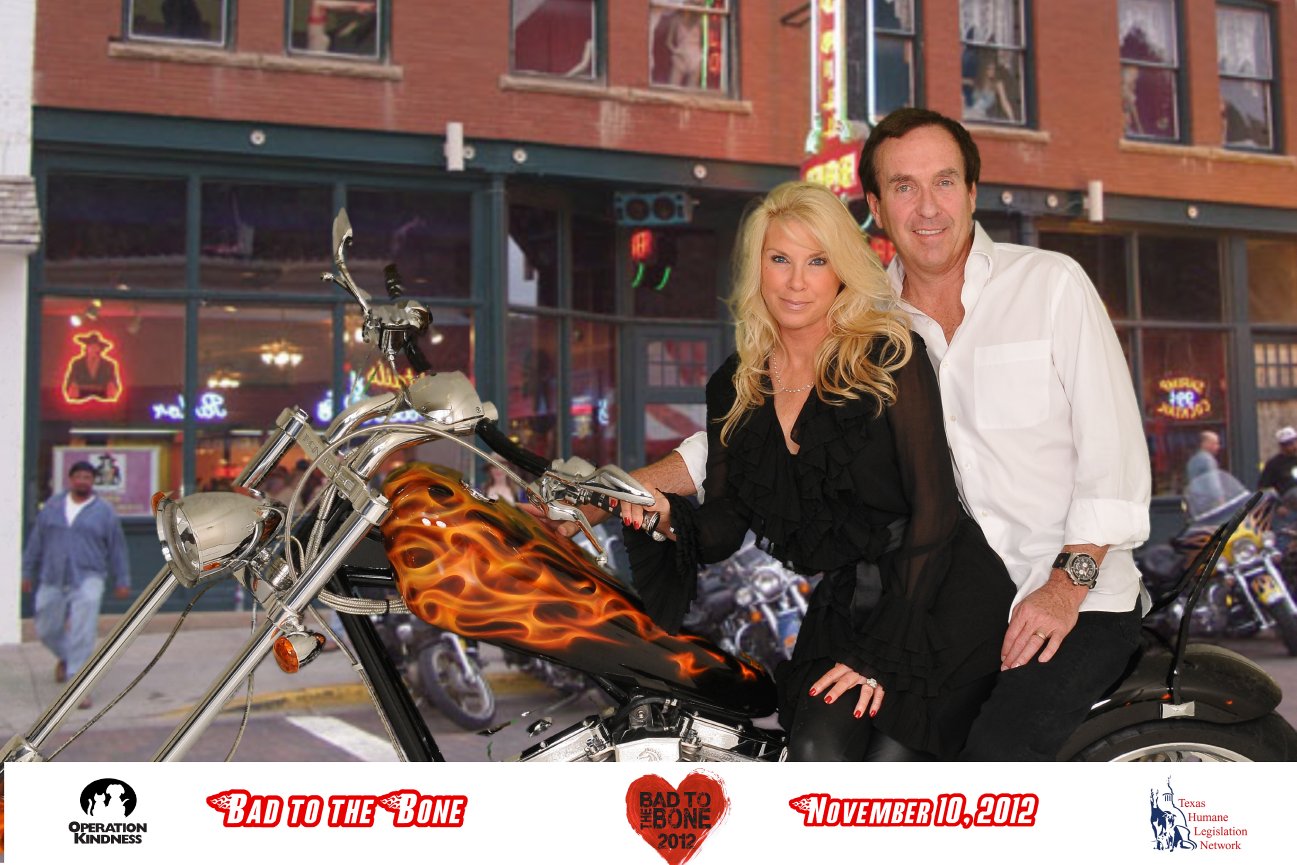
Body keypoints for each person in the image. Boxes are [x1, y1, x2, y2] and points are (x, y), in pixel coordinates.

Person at [625, 108, 1152, 761]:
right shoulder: (863, 320)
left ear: (972, 192)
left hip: (1072, 590)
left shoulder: (1049, 285)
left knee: (993, 758)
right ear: (875, 206)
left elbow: (1114, 454)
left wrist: (1064, 586)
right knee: (832, 750)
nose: (927, 206)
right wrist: (624, 490)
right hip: (927, 594)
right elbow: (758, 429)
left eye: (943, 182)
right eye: (904, 186)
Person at [621, 181, 1015, 761]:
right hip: (849, 603)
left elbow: (934, 513)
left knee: (892, 764)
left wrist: (881, 652)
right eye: (780, 259)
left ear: (842, 272)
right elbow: (724, 527)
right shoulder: (736, 385)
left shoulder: (889, 356)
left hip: (939, 593)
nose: (796, 281)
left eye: (817, 261)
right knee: (814, 749)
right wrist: (664, 516)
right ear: (757, 269)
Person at [22, 461, 132, 709]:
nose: (82, 481)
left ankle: (78, 681)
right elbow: (37, 541)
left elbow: (117, 547)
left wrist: (122, 579)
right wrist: (27, 571)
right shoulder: (52, 507)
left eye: (87, 477)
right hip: (53, 576)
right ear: (70, 480)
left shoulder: (104, 511)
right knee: (46, 628)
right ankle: (66, 656)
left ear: (93, 482)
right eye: (78, 476)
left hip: (89, 576)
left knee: (83, 628)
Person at [63, 332, 121, 402]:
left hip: (102, 398)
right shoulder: (77, 364)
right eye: (91, 347)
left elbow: (114, 382)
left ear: (100, 349)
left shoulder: (108, 365)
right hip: (82, 397)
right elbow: (71, 380)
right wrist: (72, 386)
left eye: (96, 347)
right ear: (87, 348)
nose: (94, 349)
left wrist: (111, 386)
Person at [1258, 426, 1297, 497]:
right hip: (1285, 498)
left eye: (1295, 441)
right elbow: (1263, 487)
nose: (1295, 446)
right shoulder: (1273, 464)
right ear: (1282, 446)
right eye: (1290, 444)